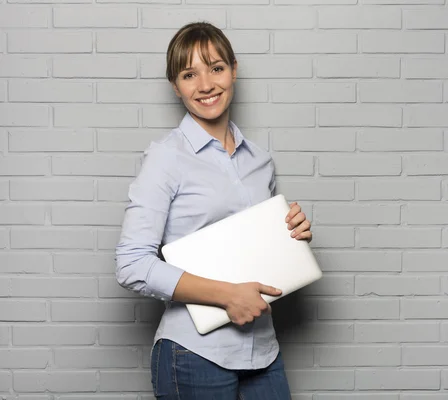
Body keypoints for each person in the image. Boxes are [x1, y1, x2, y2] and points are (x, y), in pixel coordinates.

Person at [115, 22, 313, 399]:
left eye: (216, 68)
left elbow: (254, 251)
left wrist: (294, 237)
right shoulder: (165, 158)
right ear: (176, 86)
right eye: (190, 74)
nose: (206, 85)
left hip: (262, 351)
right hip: (193, 354)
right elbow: (131, 263)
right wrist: (226, 296)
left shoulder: (260, 160)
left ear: (233, 70)